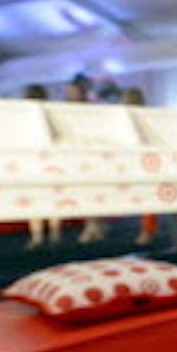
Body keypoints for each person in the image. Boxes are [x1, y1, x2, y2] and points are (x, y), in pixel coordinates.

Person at [67, 78, 109, 244]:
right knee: (84, 194)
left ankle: (96, 225)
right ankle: (92, 225)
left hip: (92, 154)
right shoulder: (67, 110)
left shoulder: (91, 108)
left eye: (73, 91)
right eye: (69, 92)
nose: (70, 94)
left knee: (95, 192)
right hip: (77, 155)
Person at [22, 84, 62, 250]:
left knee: (35, 202)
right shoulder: (51, 113)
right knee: (52, 200)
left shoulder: (25, 115)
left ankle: (37, 236)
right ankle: (54, 235)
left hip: (34, 162)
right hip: (50, 161)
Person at [123, 86, 163, 248]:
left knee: (149, 197)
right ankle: (147, 230)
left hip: (147, 161)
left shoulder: (144, 117)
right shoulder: (127, 118)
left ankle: (148, 231)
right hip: (136, 160)